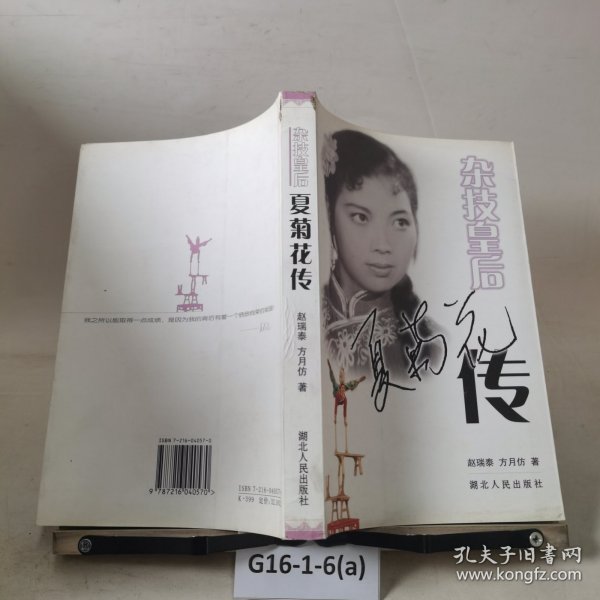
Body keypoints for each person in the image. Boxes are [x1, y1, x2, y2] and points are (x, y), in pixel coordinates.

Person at [322, 129, 442, 381]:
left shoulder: (434, 345)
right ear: (330, 217)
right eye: (361, 217)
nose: (383, 245)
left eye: (399, 222)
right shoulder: (305, 313)